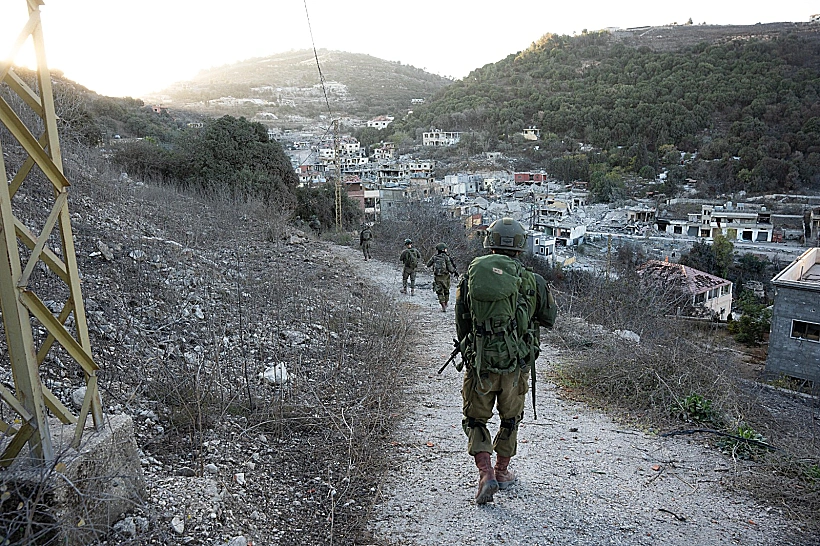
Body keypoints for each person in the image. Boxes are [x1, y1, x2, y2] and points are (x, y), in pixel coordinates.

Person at [454, 217, 556, 504]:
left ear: (489, 243)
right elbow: (549, 318)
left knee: (475, 419)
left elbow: (461, 323)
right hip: (515, 366)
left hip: (480, 363)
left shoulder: (470, 276)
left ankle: (485, 473)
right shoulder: (532, 280)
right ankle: (502, 471)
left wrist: (474, 346)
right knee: (510, 419)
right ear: (520, 248)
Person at [427, 242, 458, 312]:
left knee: (439, 292)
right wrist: (454, 271)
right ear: (443, 249)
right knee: (446, 291)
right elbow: (450, 268)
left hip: (437, 277)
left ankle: (443, 305)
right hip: (445, 277)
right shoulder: (446, 257)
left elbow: (428, 264)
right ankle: (446, 303)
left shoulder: (434, 257)